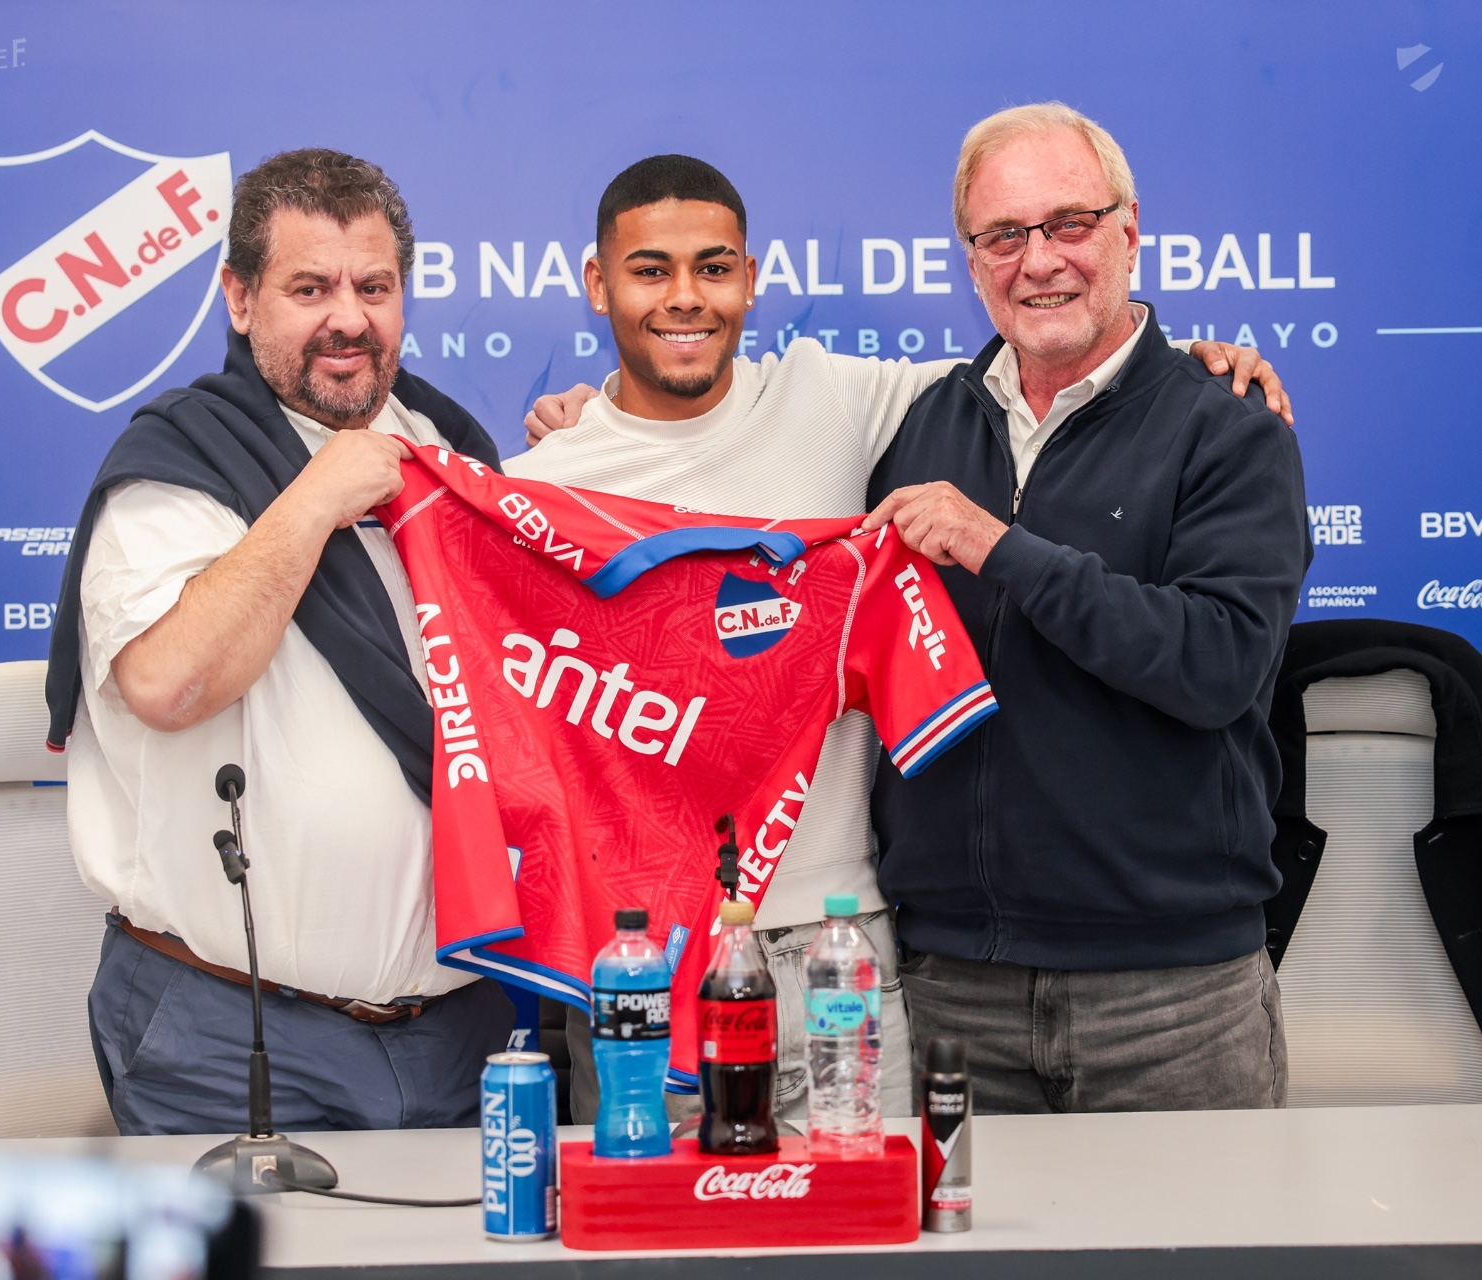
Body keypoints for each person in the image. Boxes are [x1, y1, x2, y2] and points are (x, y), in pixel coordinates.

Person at [514, 154, 1291, 1123]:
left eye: (712, 268)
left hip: (858, 950)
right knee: (667, 1217)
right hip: (664, 958)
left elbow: (1063, 352)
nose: (683, 297)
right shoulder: (536, 486)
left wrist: (1186, 362)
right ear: (597, 284)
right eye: (649, 270)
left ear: (751, 279)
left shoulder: (844, 401)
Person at [45, 149, 515, 1136]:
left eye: (373, 287)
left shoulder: (455, 450)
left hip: (462, 1031)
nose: (348, 318)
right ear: (239, 297)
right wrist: (313, 499)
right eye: (310, 289)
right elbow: (169, 683)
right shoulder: (176, 466)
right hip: (230, 1035)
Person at [864, 103, 1309, 1113]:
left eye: (1069, 223)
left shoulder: (1228, 426)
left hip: (1174, 999)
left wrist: (1001, 548)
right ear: (970, 259)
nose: (1039, 261)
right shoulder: (917, 420)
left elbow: (1216, 666)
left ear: (1129, 230)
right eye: (1002, 235)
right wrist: (597, 415)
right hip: (951, 987)